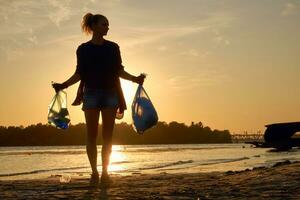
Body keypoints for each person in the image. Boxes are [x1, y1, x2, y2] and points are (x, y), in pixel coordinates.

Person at [52, 13, 145, 187]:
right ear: (93, 26)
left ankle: (105, 174)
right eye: (104, 24)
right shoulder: (83, 49)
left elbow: (119, 71)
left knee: (108, 137)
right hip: (91, 95)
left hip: (111, 94)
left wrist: (135, 79)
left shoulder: (113, 48)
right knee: (91, 136)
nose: (107, 27)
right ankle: (94, 172)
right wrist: (63, 85)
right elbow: (79, 73)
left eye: (108, 25)